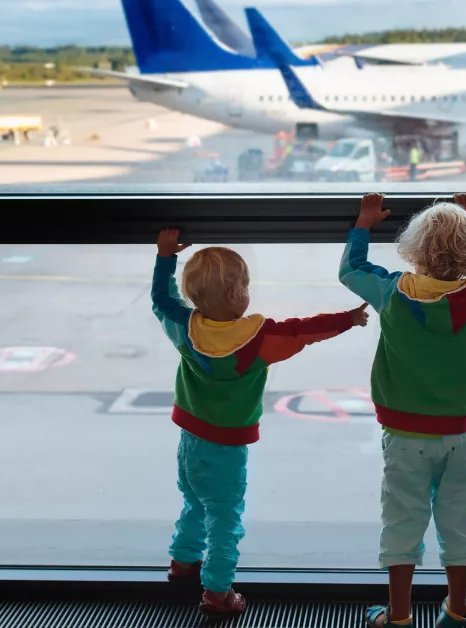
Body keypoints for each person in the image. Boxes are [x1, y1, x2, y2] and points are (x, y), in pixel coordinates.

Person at [152, 230, 369, 618]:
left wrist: (165, 256)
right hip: (226, 448)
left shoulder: (182, 328)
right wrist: (348, 319)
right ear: (237, 294)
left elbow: (161, 300)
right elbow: (304, 330)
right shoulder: (260, 339)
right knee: (225, 519)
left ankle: (182, 562)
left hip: (189, 441)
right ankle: (217, 594)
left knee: (194, 503)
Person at [339, 193, 466, 627]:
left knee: (402, 523)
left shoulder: (392, 292)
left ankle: (399, 615)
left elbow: (350, 270)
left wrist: (364, 223)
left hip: (405, 436)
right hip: (456, 436)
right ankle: (457, 610)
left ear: (412, 249)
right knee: (459, 520)